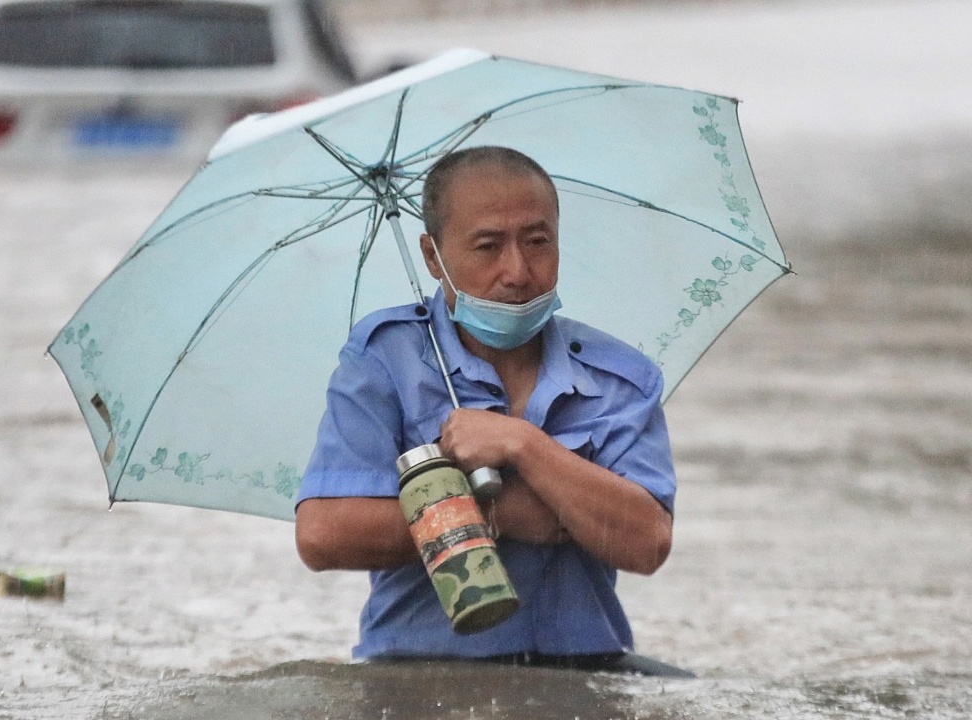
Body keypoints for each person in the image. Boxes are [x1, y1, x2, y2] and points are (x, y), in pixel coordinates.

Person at [294, 146, 690, 677]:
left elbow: (647, 544)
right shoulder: (385, 361)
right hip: (419, 671)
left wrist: (525, 446)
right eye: (488, 246)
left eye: (537, 242)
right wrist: (503, 513)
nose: (518, 271)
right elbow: (323, 534)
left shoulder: (621, 377)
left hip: (585, 671)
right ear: (433, 257)